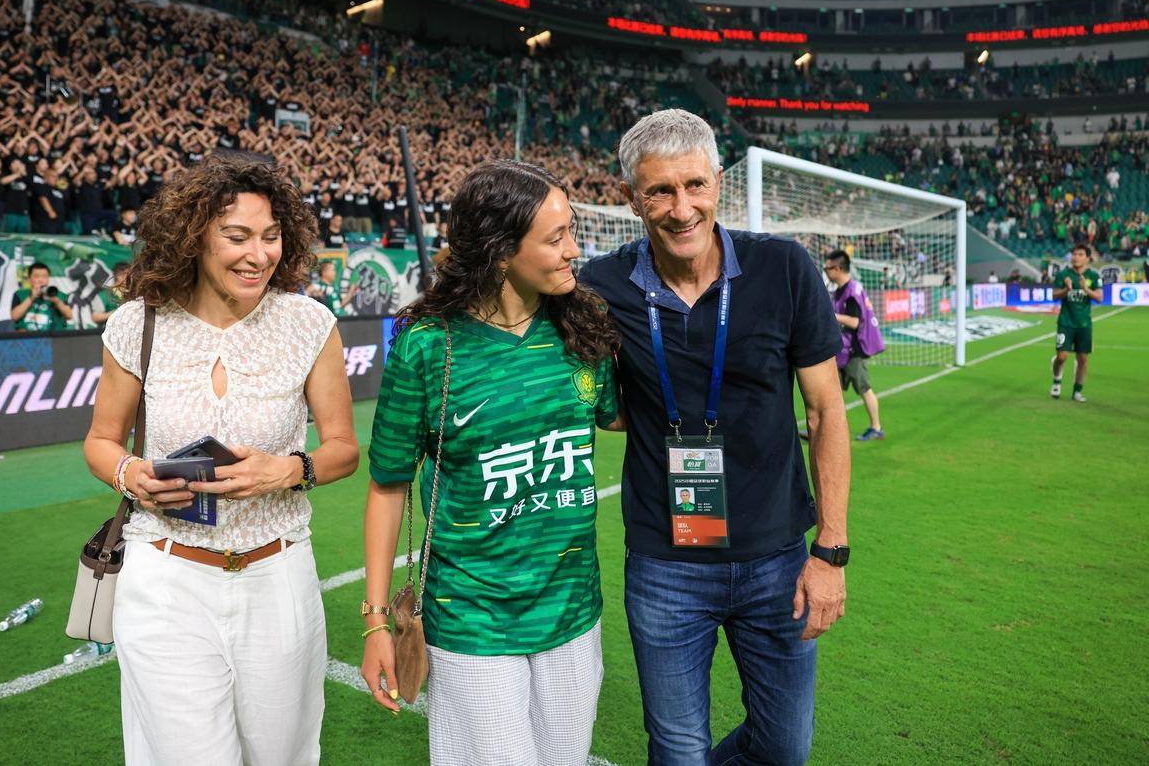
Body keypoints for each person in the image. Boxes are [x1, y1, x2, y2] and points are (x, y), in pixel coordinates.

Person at [577, 109, 850, 765]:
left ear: (719, 182)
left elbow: (825, 412)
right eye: (660, 191)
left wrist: (830, 551)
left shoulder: (784, 269)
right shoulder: (600, 287)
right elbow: (595, 399)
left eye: (694, 185)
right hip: (664, 566)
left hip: (777, 559)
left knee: (784, 749)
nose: (682, 209)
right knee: (678, 751)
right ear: (631, 198)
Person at [82, 153, 359, 765]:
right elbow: (101, 441)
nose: (258, 255)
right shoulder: (137, 324)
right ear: (194, 238)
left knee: (282, 755)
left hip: (278, 577)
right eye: (237, 237)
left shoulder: (309, 323)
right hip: (165, 579)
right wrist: (131, 475)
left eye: (271, 236)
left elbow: (343, 450)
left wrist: (288, 470)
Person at [360, 160, 623, 766]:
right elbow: (388, 485)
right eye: (556, 238)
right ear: (502, 251)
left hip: (574, 611)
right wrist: (376, 621)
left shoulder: (582, 327)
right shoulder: (429, 345)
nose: (574, 250)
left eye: (571, 231)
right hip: (472, 616)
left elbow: (619, 415)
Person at [824, 249, 886, 440]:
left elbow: (855, 322)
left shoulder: (851, 292)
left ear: (838, 268)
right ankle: (828, 430)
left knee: (863, 388)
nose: (825, 272)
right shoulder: (844, 290)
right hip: (843, 348)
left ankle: (876, 427)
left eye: (827, 268)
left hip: (854, 349)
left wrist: (832, 316)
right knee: (831, 390)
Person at [1050, 243, 1101, 402]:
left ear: (1087, 258)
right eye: (1074, 254)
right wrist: (1066, 289)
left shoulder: (1093, 276)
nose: (1075, 257)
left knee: (1083, 359)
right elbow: (1053, 296)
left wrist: (1086, 289)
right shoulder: (1063, 275)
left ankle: (1077, 392)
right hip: (1066, 322)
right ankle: (1057, 380)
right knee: (1062, 357)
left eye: (1080, 254)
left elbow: (1099, 297)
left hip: (1084, 324)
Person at [10, 262, 73, 332]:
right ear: (29, 279)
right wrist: (31, 297)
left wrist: (56, 300)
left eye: (45, 277)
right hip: (26, 337)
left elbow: (69, 316)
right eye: (37, 277)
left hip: (53, 337)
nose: (41, 280)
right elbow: (14, 316)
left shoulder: (60, 295)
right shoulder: (20, 294)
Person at [91, 261, 130, 326]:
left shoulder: (135, 294)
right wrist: (115, 313)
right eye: (123, 274)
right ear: (117, 276)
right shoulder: (103, 295)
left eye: (129, 275)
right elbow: (94, 317)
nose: (127, 278)